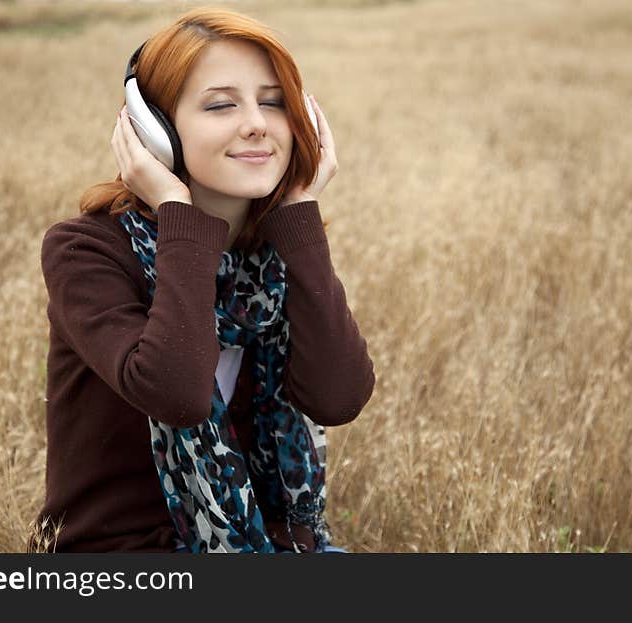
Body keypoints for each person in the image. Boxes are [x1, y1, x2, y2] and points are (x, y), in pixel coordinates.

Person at [29, 8, 375, 554]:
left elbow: (338, 398)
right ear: (155, 131)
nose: (257, 123)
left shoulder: (278, 249)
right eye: (220, 105)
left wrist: (300, 217)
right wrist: (176, 210)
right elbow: (176, 394)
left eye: (274, 101)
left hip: (271, 547)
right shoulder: (86, 251)